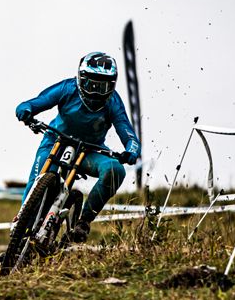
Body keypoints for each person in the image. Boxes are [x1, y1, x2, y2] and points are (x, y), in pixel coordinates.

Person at [14, 51, 141, 242]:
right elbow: (35, 102)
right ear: (81, 79)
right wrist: (26, 110)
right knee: (36, 180)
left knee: (115, 170)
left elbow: (128, 134)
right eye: (91, 84)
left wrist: (131, 151)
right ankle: (20, 228)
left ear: (112, 85)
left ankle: (84, 222)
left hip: (89, 150)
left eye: (103, 86)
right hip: (55, 141)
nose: (96, 91)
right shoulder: (67, 88)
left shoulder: (113, 102)